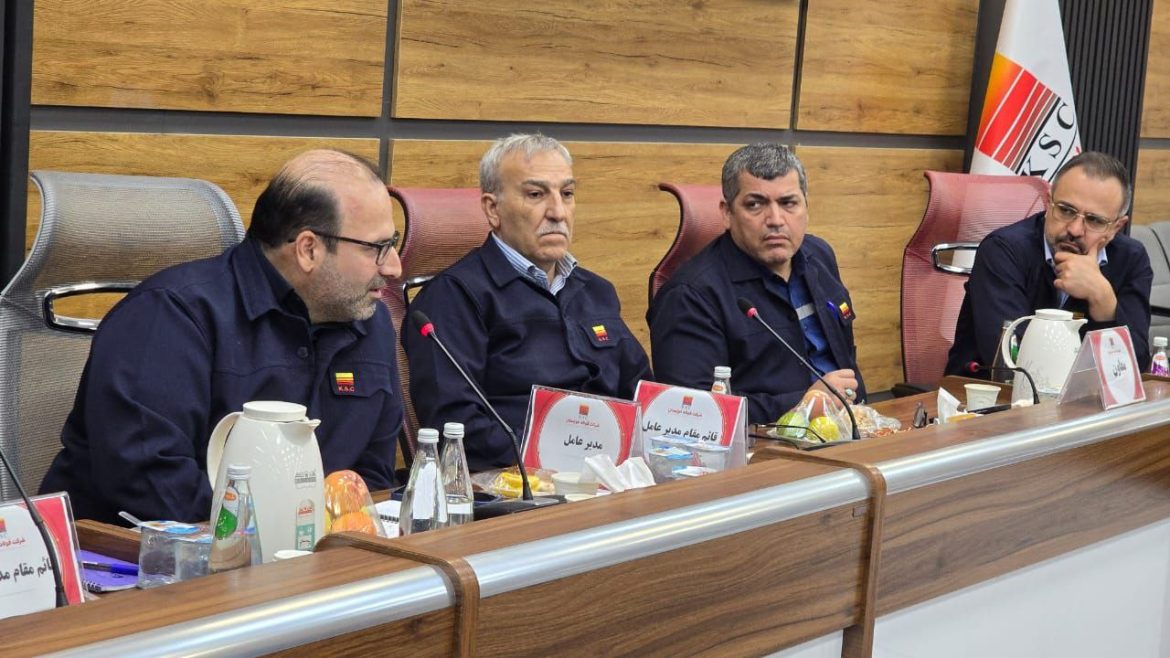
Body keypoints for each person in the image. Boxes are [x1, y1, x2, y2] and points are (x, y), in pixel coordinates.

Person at [40, 149, 406, 524]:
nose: (394, 266)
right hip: (132, 554)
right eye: (377, 248)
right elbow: (153, 487)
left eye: (392, 242)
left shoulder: (368, 322)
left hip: (312, 554)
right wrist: (274, 534)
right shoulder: (169, 317)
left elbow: (370, 482)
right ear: (308, 249)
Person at [403, 134, 651, 471]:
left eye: (567, 194)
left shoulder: (596, 290)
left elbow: (640, 396)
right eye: (536, 195)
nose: (558, 212)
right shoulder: (454, 297)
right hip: (521, 484)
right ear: (493, 209)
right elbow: (457, 425)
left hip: (614, 477)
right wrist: (558, 463)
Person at [648, 143, 863, 424]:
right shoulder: (689, 296)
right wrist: (801, 405)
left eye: (788, 203)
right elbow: (693, 414)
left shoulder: (819, 256)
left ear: (806, 206)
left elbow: (845, 361)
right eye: (755, 205)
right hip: (766, 444)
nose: (775, 220)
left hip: (855, 428)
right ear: (727, 213)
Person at [946, 151, 1153, 376]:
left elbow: (1136, 368)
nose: (1075, 229)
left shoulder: (1131, 259)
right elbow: (1011, 361)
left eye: (1094, 220)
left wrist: (1103, 301)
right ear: (1048, 202)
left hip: (1088, 398)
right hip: (987, 394)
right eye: (1066, 210)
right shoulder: (1003, 251)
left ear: (1116, 227)